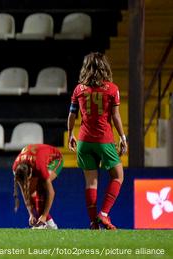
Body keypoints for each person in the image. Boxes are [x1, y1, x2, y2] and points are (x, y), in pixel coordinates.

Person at [67, 52, 127, 230]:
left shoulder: (79, 89)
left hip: (84, 141)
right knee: (118, 176)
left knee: (91, 182)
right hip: (104, 140)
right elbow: (115, 116)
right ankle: (104, 214)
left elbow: (72, 114)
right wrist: (123, 138)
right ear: (104, 67)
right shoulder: (112, 89)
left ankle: (93, 222)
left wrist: (70, 134)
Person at [12, 144, 62, 229]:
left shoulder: (39, 165)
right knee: (30, 190)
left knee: (42, 185)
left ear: (31, 171)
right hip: (35, 159)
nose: (28, 183)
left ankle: (51, 225)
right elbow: (25, 192)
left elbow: (51, 192)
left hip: (55, 159)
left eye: (28, 180)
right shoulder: (15, 169)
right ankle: (43, 224)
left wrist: (44, 215)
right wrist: (31, 214)